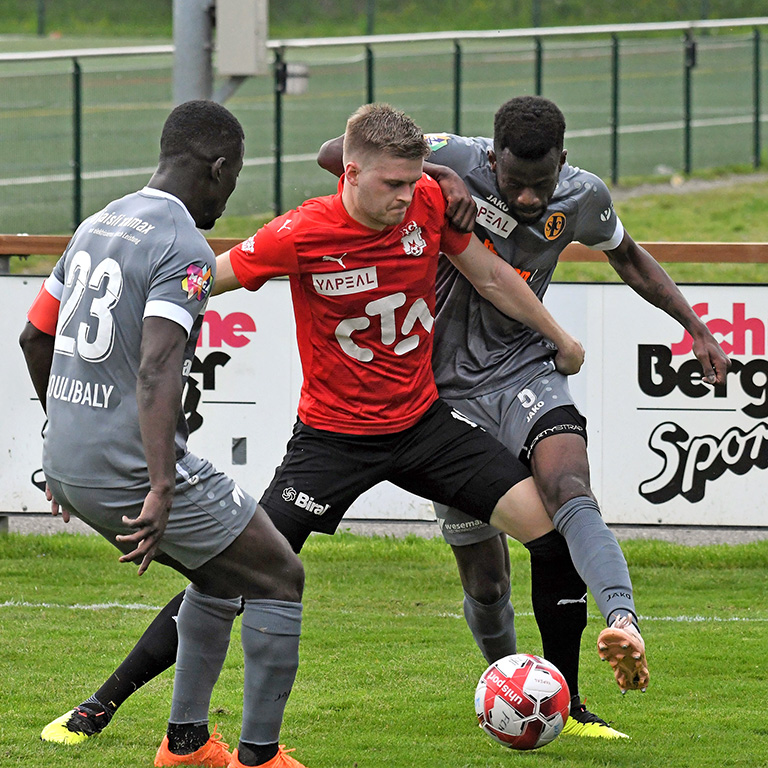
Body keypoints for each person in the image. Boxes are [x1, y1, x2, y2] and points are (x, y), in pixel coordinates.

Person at [36, 103, 623, 751]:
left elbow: (489, 275)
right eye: (393, 185)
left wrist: (561, 339)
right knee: (233, 575)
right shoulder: (300, 232)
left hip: (424, 425)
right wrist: (123, 303)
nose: (409, 195)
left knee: (550, 535)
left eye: (415, 180)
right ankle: (100, 703)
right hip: (331, 441)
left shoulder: (428, 201)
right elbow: (207, 278)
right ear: (349, 174)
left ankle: (566, 702)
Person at [318, 94, 732, 738]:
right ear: (492, 157)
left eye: (543, 185)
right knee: (485, 580)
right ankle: (512, 690)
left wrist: (695, 327)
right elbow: (332, 155)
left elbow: (630, 258)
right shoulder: (454, 159)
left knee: (569, 491)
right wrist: (435, 174)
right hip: (441, 397)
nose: (531, 200)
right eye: (515, 185)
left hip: (525, 372)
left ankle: (618, 626)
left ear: (563, 162)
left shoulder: (583, 196)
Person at [20, 100, 308, 768]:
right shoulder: (182, 242)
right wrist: (160, 485)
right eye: (234, 175)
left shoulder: (96, 223)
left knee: (219, 578)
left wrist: (61, 437)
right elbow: (156, 365)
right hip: (125, 466)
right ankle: (259, 758)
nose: (231, 190)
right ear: (218, 165)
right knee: (279, 576)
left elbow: (35, 336)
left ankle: (185, 746)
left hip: (67, 458)